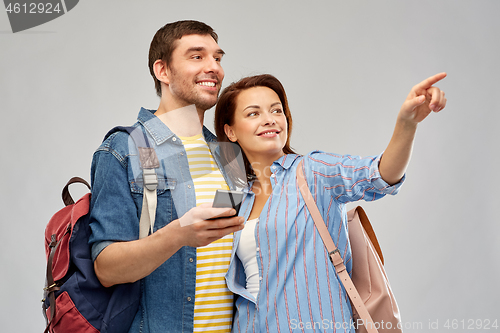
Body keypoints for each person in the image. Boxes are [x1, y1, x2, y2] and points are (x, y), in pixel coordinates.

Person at [214, 73, 447, 332]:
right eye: (253, 114)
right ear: (230, 131)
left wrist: (407, 124)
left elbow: (380, 174)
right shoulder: (231, 196)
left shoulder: (313, 172)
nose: (269, 119)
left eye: (276, 110)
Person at [88, 20, 245, 333]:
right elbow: (106, 267)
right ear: (163, 71)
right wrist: (179, 235)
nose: (213, 67)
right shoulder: (126, 149)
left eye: (217, 57)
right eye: (196, 57)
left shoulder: (229, 155)